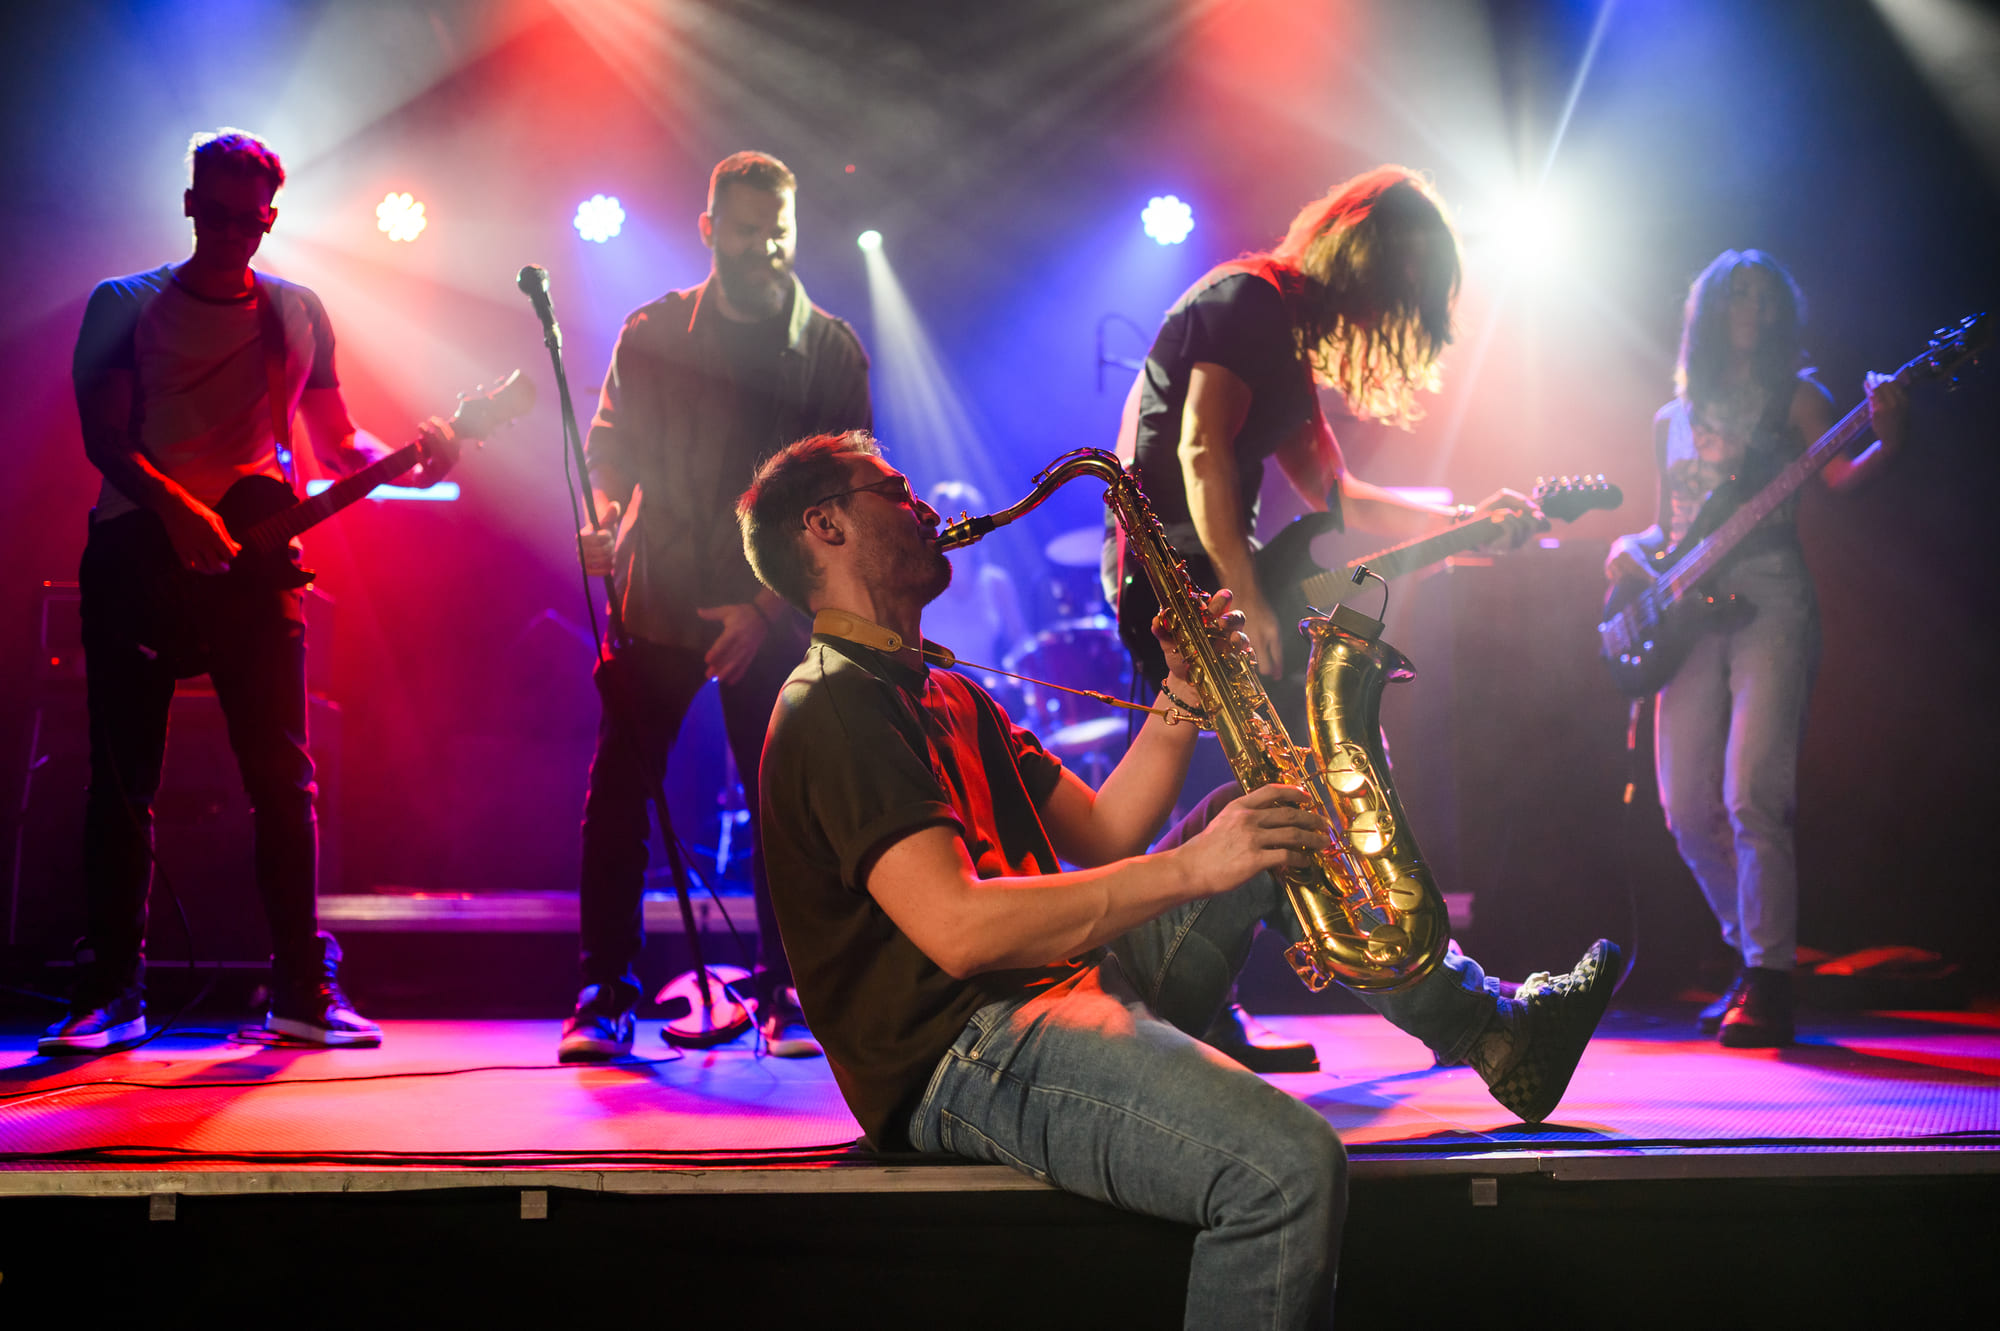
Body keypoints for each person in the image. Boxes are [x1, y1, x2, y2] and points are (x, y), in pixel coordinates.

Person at [738, 431, 1622, 1329]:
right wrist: (1193, 866)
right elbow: (961, 928)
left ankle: (1498, 1037)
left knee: (1263, 815)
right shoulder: (834, 703)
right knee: (1286, 1170)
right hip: (964, 1055)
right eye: (895, 490)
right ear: (826, 525)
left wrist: (1182, 693)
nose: (925, 506)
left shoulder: (947, 691)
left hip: (1057, 994)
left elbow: (1106, 830)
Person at [1114, 164, 1537, 1071]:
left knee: (1295, 792)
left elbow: (1337, 493)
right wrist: (1245, 594)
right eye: (1402, 287)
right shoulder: (1248, 300)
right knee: (1306, 793)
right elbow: (1199, 447)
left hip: (1212, 580)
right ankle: (1456, 1010)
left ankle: (1214, 1006)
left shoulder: (1281, 328)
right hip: (1183, 586)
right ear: (1367, 255)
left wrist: (1468, 520)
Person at [45, 129, 450, 1055]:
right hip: (137, 553)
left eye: (248, 219)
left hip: (259, 562)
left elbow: (340, 445)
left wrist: (417, 461)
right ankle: (111, 990)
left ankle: (300, 990)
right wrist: (179, 509)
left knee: (283, 778)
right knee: (121, 780)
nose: (231, 232)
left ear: (271, 218)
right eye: (216, 213)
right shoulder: (122, 303)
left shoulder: (297, 312)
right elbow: (105, 439)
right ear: (190, 203)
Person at [566, 151, 871, 1062]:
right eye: (746, 230)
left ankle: (791, 989)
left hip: (774, 611)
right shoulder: (654, 331)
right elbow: (609, 447)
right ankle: (605, 991)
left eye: (779, 230)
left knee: (789, 805)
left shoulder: (830, 350)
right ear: (708, 230)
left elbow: (847, 498)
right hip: (658, 595)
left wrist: (764, 611)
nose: (766, 247)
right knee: (620, 795)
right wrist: (602, 516)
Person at [1605, 250, 1906, 1047]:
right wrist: (1628, 548)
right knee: (1682, 806)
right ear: (1708, 310)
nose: (1753, 308)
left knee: (1751, 792)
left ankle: (1769, 978)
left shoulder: (1798, 397)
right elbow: (1665, 527)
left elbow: (1840, 477)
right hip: (1687, 610)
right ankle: (1754, 956)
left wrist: (1890, 437)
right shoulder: (1671, 417)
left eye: (1766, 296)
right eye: (1738, 295)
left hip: (1770, 593)